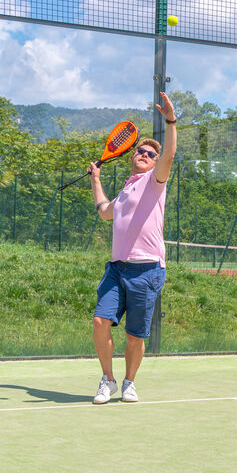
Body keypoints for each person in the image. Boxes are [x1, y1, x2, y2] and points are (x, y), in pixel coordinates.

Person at [88, 92, 177, 404]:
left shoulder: (155, 180)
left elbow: (168, 156)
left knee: (134, 336)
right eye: (141, 151)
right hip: (117, 268)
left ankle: (129, 382)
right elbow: (103, 211)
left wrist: (170, 120)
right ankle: (108, 380)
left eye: (150, 154)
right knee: (101, 321)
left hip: (147, 270)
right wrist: (95, 179)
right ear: (131, 155)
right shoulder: (127, 189)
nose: (145, 155)